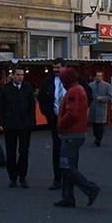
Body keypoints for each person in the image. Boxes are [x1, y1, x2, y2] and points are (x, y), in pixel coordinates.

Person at [53, 67, 100, 208]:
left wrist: (61, 123)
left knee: (65, 165)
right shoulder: (78, 89)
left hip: (71, 134)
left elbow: (72, 113)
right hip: (75, 133)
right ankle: (68, 198)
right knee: (68, 165)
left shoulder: (73, 91)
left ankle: (90, 188)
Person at [0, 66, 36, 188]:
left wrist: (32, 120)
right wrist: (1, 121)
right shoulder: (5, 89)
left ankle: (22, 177)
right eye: (18, 75)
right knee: (11, 152)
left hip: (25, 124)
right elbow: (1, 106)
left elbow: (31, 105)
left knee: (24, 152)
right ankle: (13, 177)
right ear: (12, 75)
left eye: (22, 75)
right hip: (10, 124)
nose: (20, 77)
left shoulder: (27, 88)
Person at [38, 58, 69, 190]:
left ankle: (71, 178)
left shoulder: (73, 80)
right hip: (56, 120)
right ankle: (57, 179)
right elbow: (42, 99)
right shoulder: (48, 81)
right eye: (54, 67)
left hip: (70, 121)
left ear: (65, 67)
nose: (56, 70)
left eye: (58, 67)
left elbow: (86, 95)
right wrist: (48, 115)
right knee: (57, 150)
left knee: (70, 151)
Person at [88, 71, 112, 147]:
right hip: (93, 106)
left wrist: (102, 98)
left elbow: (109, 96)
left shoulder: (107, 86)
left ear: (102, 77)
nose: (98, 77)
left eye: (99, 76)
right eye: (97, 76)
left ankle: (99, 138)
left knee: (100, 124)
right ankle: (96, 135)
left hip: (101, 107)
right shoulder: (91, 85)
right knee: (94, 123)